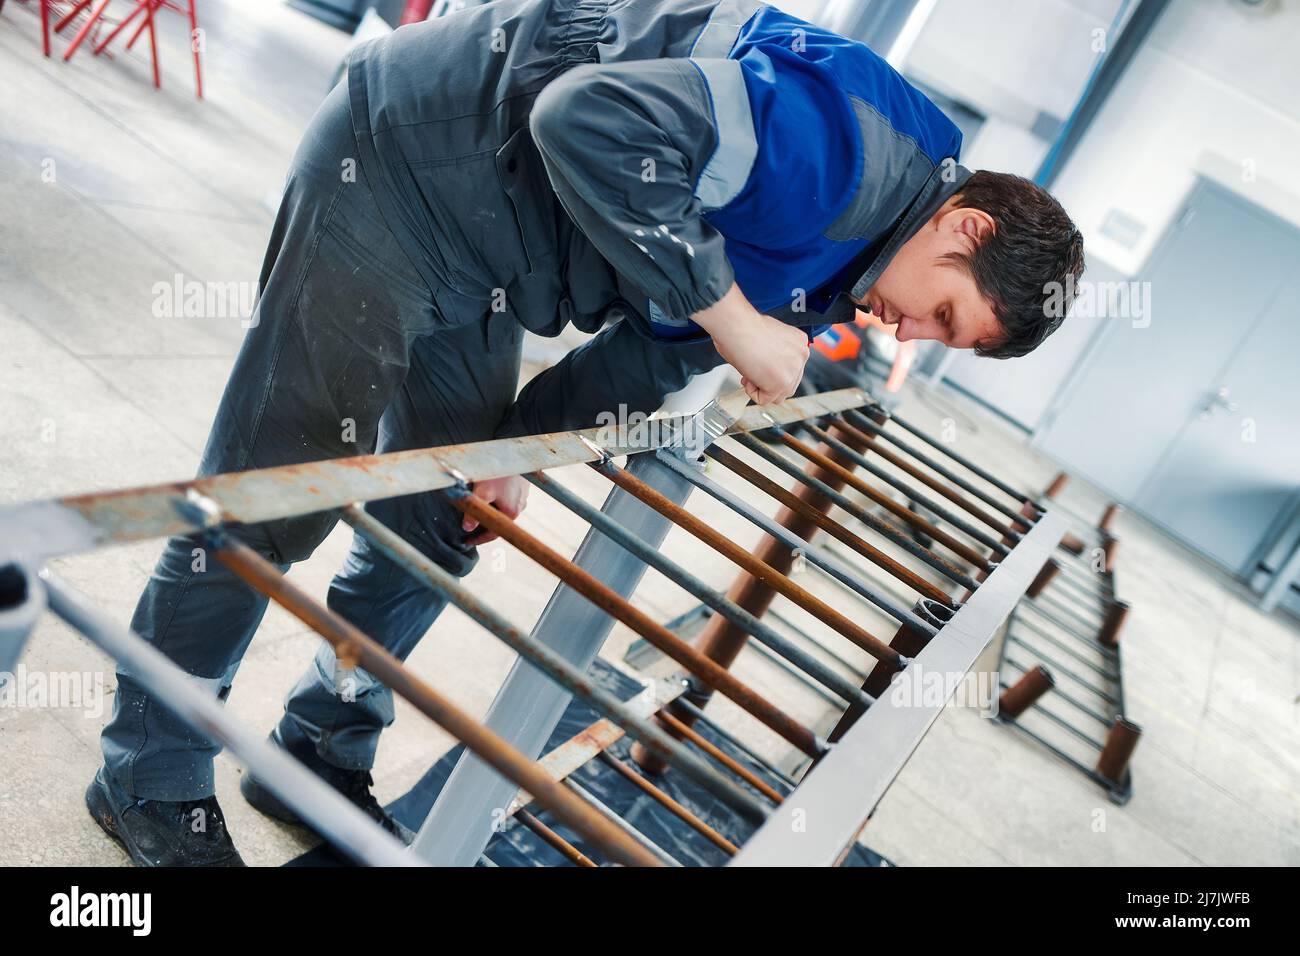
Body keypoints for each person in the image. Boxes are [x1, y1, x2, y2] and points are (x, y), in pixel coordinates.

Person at [86, 0, 1084, 866]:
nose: (912, 336)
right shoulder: (837, 155)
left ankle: (320, 740)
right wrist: (736, 319)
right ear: (968, 231)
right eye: (943, 316)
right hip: (399, 173)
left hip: (491, 256)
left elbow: (660, 348)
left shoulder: (861, 254)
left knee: (443, 513)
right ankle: (149, 774)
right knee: (276, 493)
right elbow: (586, 120)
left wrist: (529, 445)